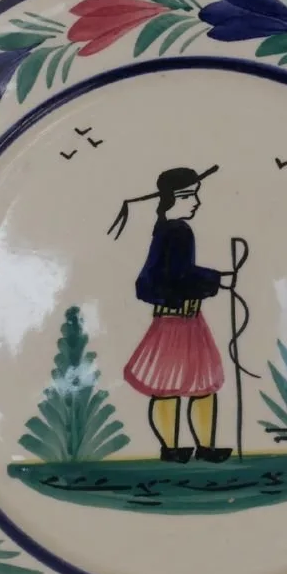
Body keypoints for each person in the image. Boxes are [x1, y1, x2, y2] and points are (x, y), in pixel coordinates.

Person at [107, 165, 232, 461]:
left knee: (194, 385)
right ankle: (180, 448)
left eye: (195, 195)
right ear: (170, 199)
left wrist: (211, 280)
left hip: (188, 320)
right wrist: (216, 279)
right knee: (178, 387)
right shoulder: (174, 231)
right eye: (188, 196)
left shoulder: (172, 230)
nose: (196, 202)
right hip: (175, 322)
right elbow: (172, 277)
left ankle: (192, 447)